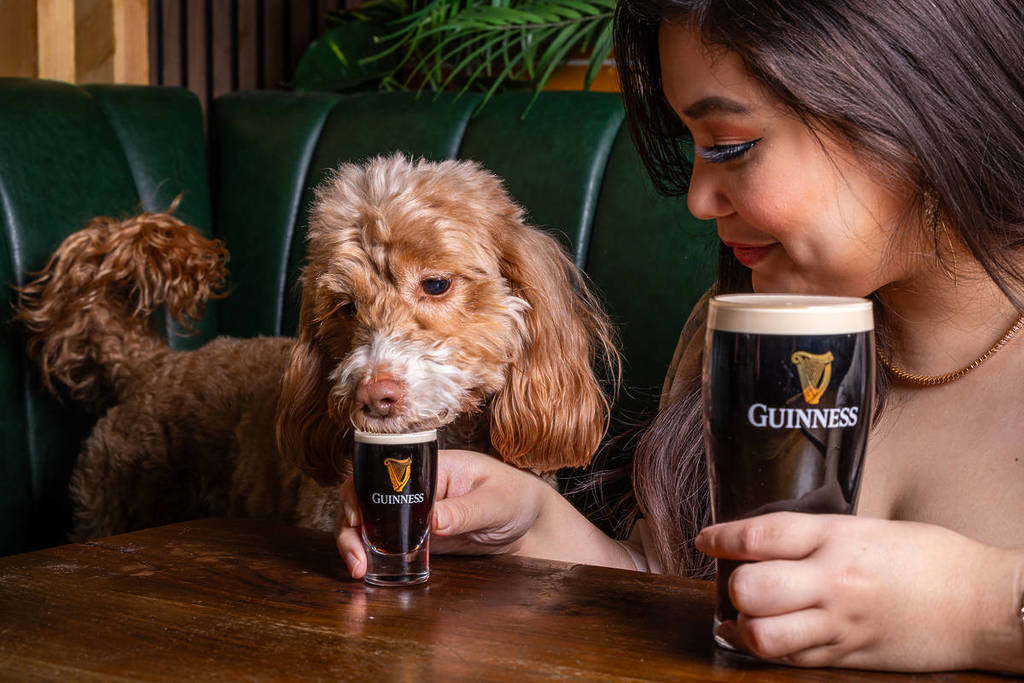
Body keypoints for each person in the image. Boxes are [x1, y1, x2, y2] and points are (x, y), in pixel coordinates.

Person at [337, 0, 1024, 672]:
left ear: (914, 100)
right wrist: (529, 521)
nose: (697, 199)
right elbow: (678, 585)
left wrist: (981, 610)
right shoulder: (729, 324)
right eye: (692, 148)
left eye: (732, 145)